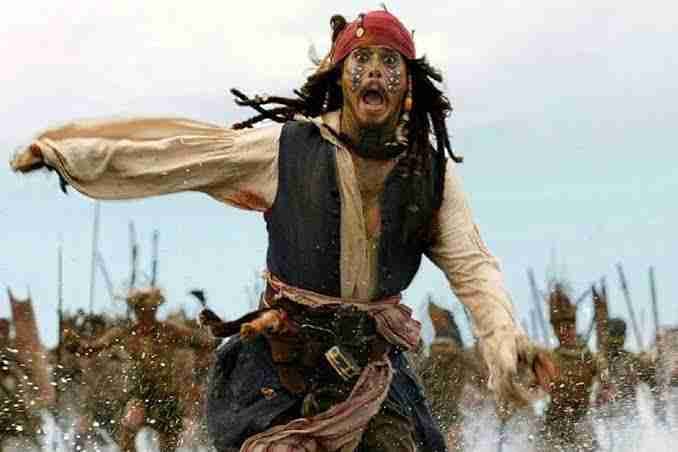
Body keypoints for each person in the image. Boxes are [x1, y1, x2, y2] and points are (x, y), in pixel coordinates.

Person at [11, 9, 554, 451]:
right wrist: (72, 156)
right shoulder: (288, 149)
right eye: (361, 59)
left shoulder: (430, 175)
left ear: (408, 84)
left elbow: (474, 267)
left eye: (389, 61)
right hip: (283, 368)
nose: (374, 72)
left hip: (371, 370)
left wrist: (505, 341)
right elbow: (181, 158)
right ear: (341, 77)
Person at [65, 287, 217, 452]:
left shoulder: (170, 331)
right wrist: (76, 346)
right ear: (135, 310)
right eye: (141, 310)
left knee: (168, 446)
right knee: (129, 423)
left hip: (167, 395)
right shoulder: (126, 333)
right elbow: (92, 349)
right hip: (140, 393)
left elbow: (205, 343)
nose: (145, 315)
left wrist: (215, 331)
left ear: (156, 310)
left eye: (150, 310)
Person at [537, 283, 605, 452]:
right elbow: (539, 385)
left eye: (568, 327)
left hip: (581, 420)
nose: (563, 332)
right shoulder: (549, 357)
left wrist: (604, 390)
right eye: (558, 329)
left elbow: (605, 380)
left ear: (574, 327)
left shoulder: (589, 356)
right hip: (554, 423)